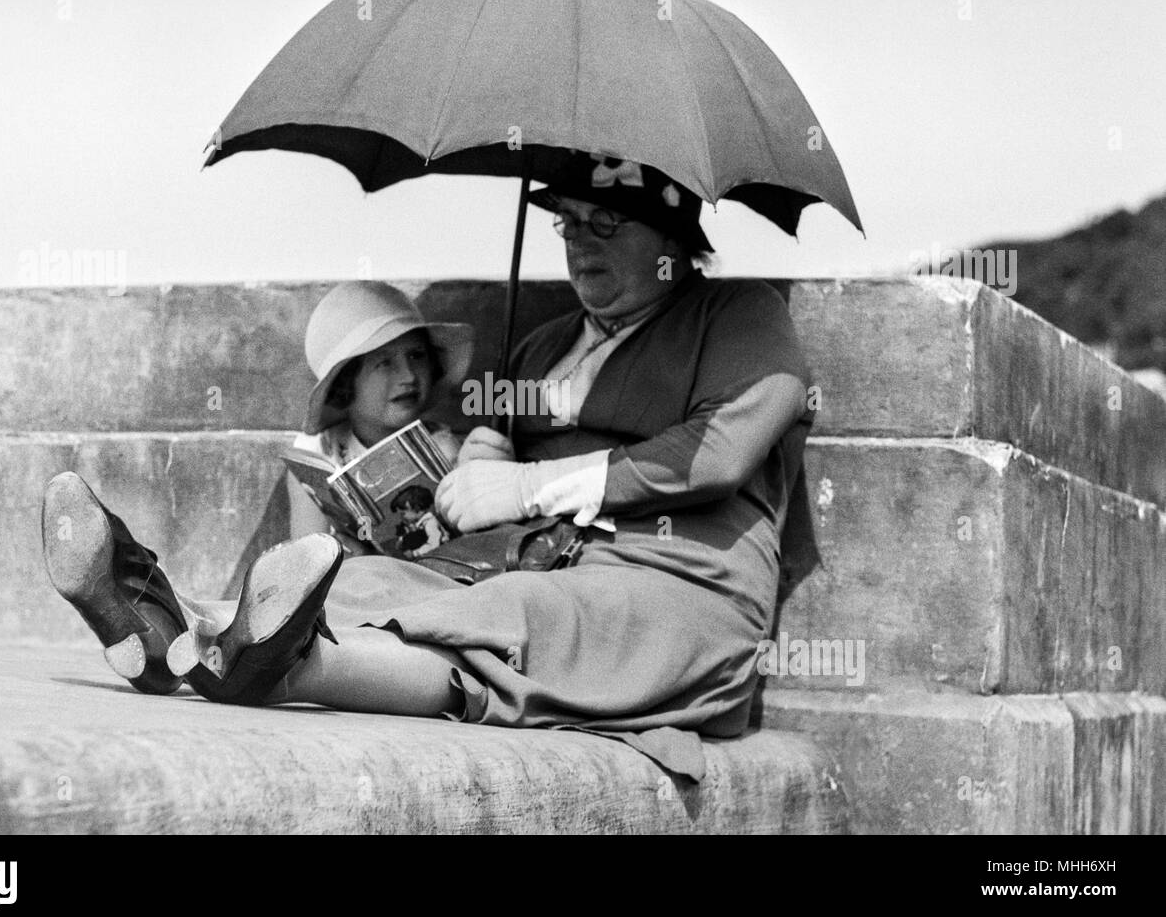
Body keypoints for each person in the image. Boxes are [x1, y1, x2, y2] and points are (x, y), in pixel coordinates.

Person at [41, 151, 816, 781]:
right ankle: (169, 615)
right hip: (540, 555)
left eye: (606, 223)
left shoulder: (742, 318)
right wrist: (483, 454)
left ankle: (268, 663)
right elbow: (495, 439)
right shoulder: (546, 345)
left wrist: (527, 484)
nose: (580, 243)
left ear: (673, 242)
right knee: (364, 582)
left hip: (679, 581)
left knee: (521, 621)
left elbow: (720, 452)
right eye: (567, 224)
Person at [285, 281, 470, 554]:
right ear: (346, 383)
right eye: (384, 363)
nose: (408, 376)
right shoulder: (318, 454)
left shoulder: (444, 451)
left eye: (417, 355)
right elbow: (304, 561)